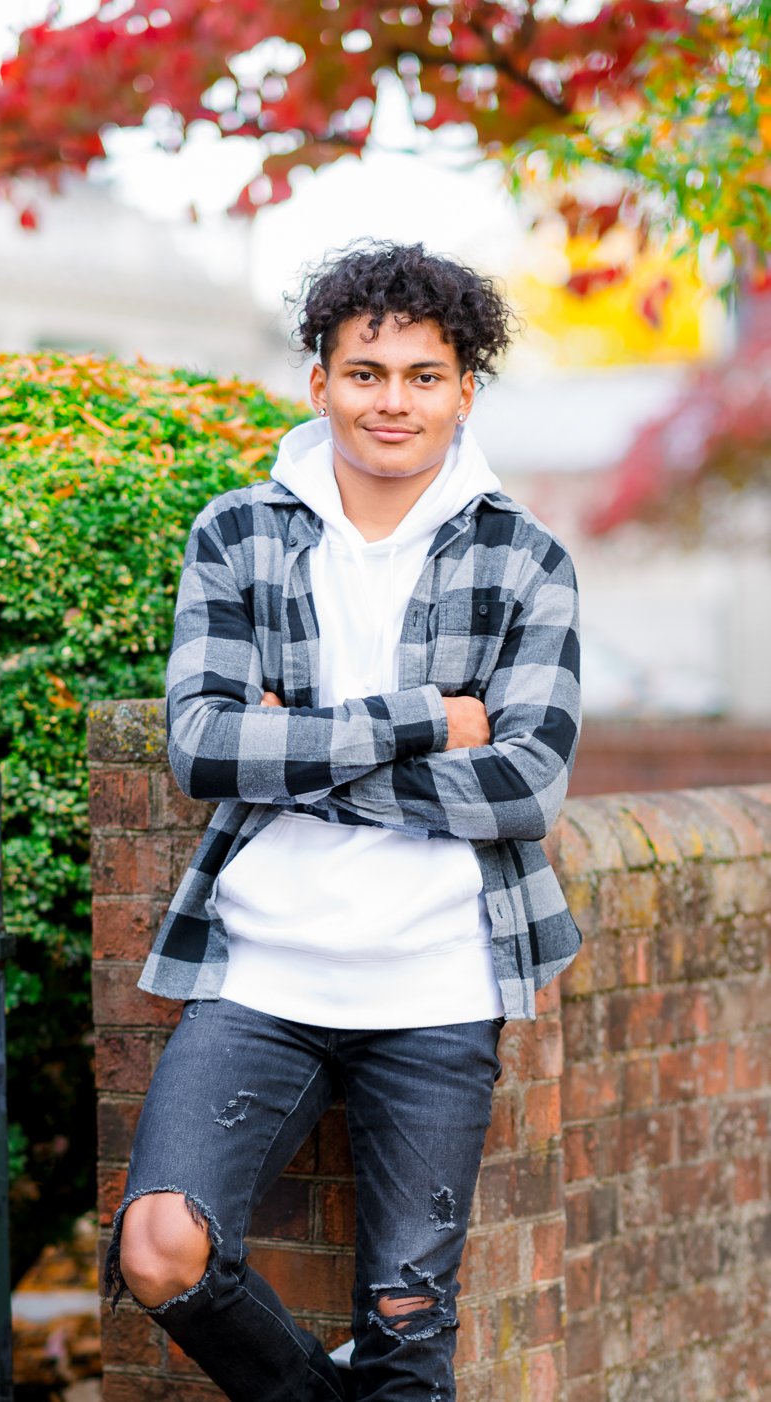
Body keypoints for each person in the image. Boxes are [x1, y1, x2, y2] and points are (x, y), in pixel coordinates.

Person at [104, 240, 582, 1402]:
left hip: (436, 984)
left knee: (409, 1331)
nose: (392, 400)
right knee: (159, 1244)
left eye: (424, 375)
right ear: (317, 382)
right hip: (261, 973)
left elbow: (522, 786)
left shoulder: (525, 559)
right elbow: (205, 748)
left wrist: (299, 751)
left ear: (465, 390)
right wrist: (421, 718)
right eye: (365, 371)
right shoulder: (238, 534)